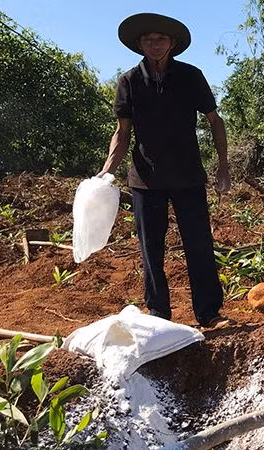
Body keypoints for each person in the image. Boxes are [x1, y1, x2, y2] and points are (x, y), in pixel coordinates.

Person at [98, 13, 231, 329]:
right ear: (139, 45)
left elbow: (215, 121)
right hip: (146, 179)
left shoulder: (190, 76)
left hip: (188, 176)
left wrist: (223, 166)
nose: (154, 45)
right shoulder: (129, 81)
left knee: (198, 244)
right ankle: (159, 315)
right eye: (147, 40)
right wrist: (106, 172)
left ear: (172, 44)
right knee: (150, 249)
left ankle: (209, 314)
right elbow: (122, 132)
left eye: (160, 39)